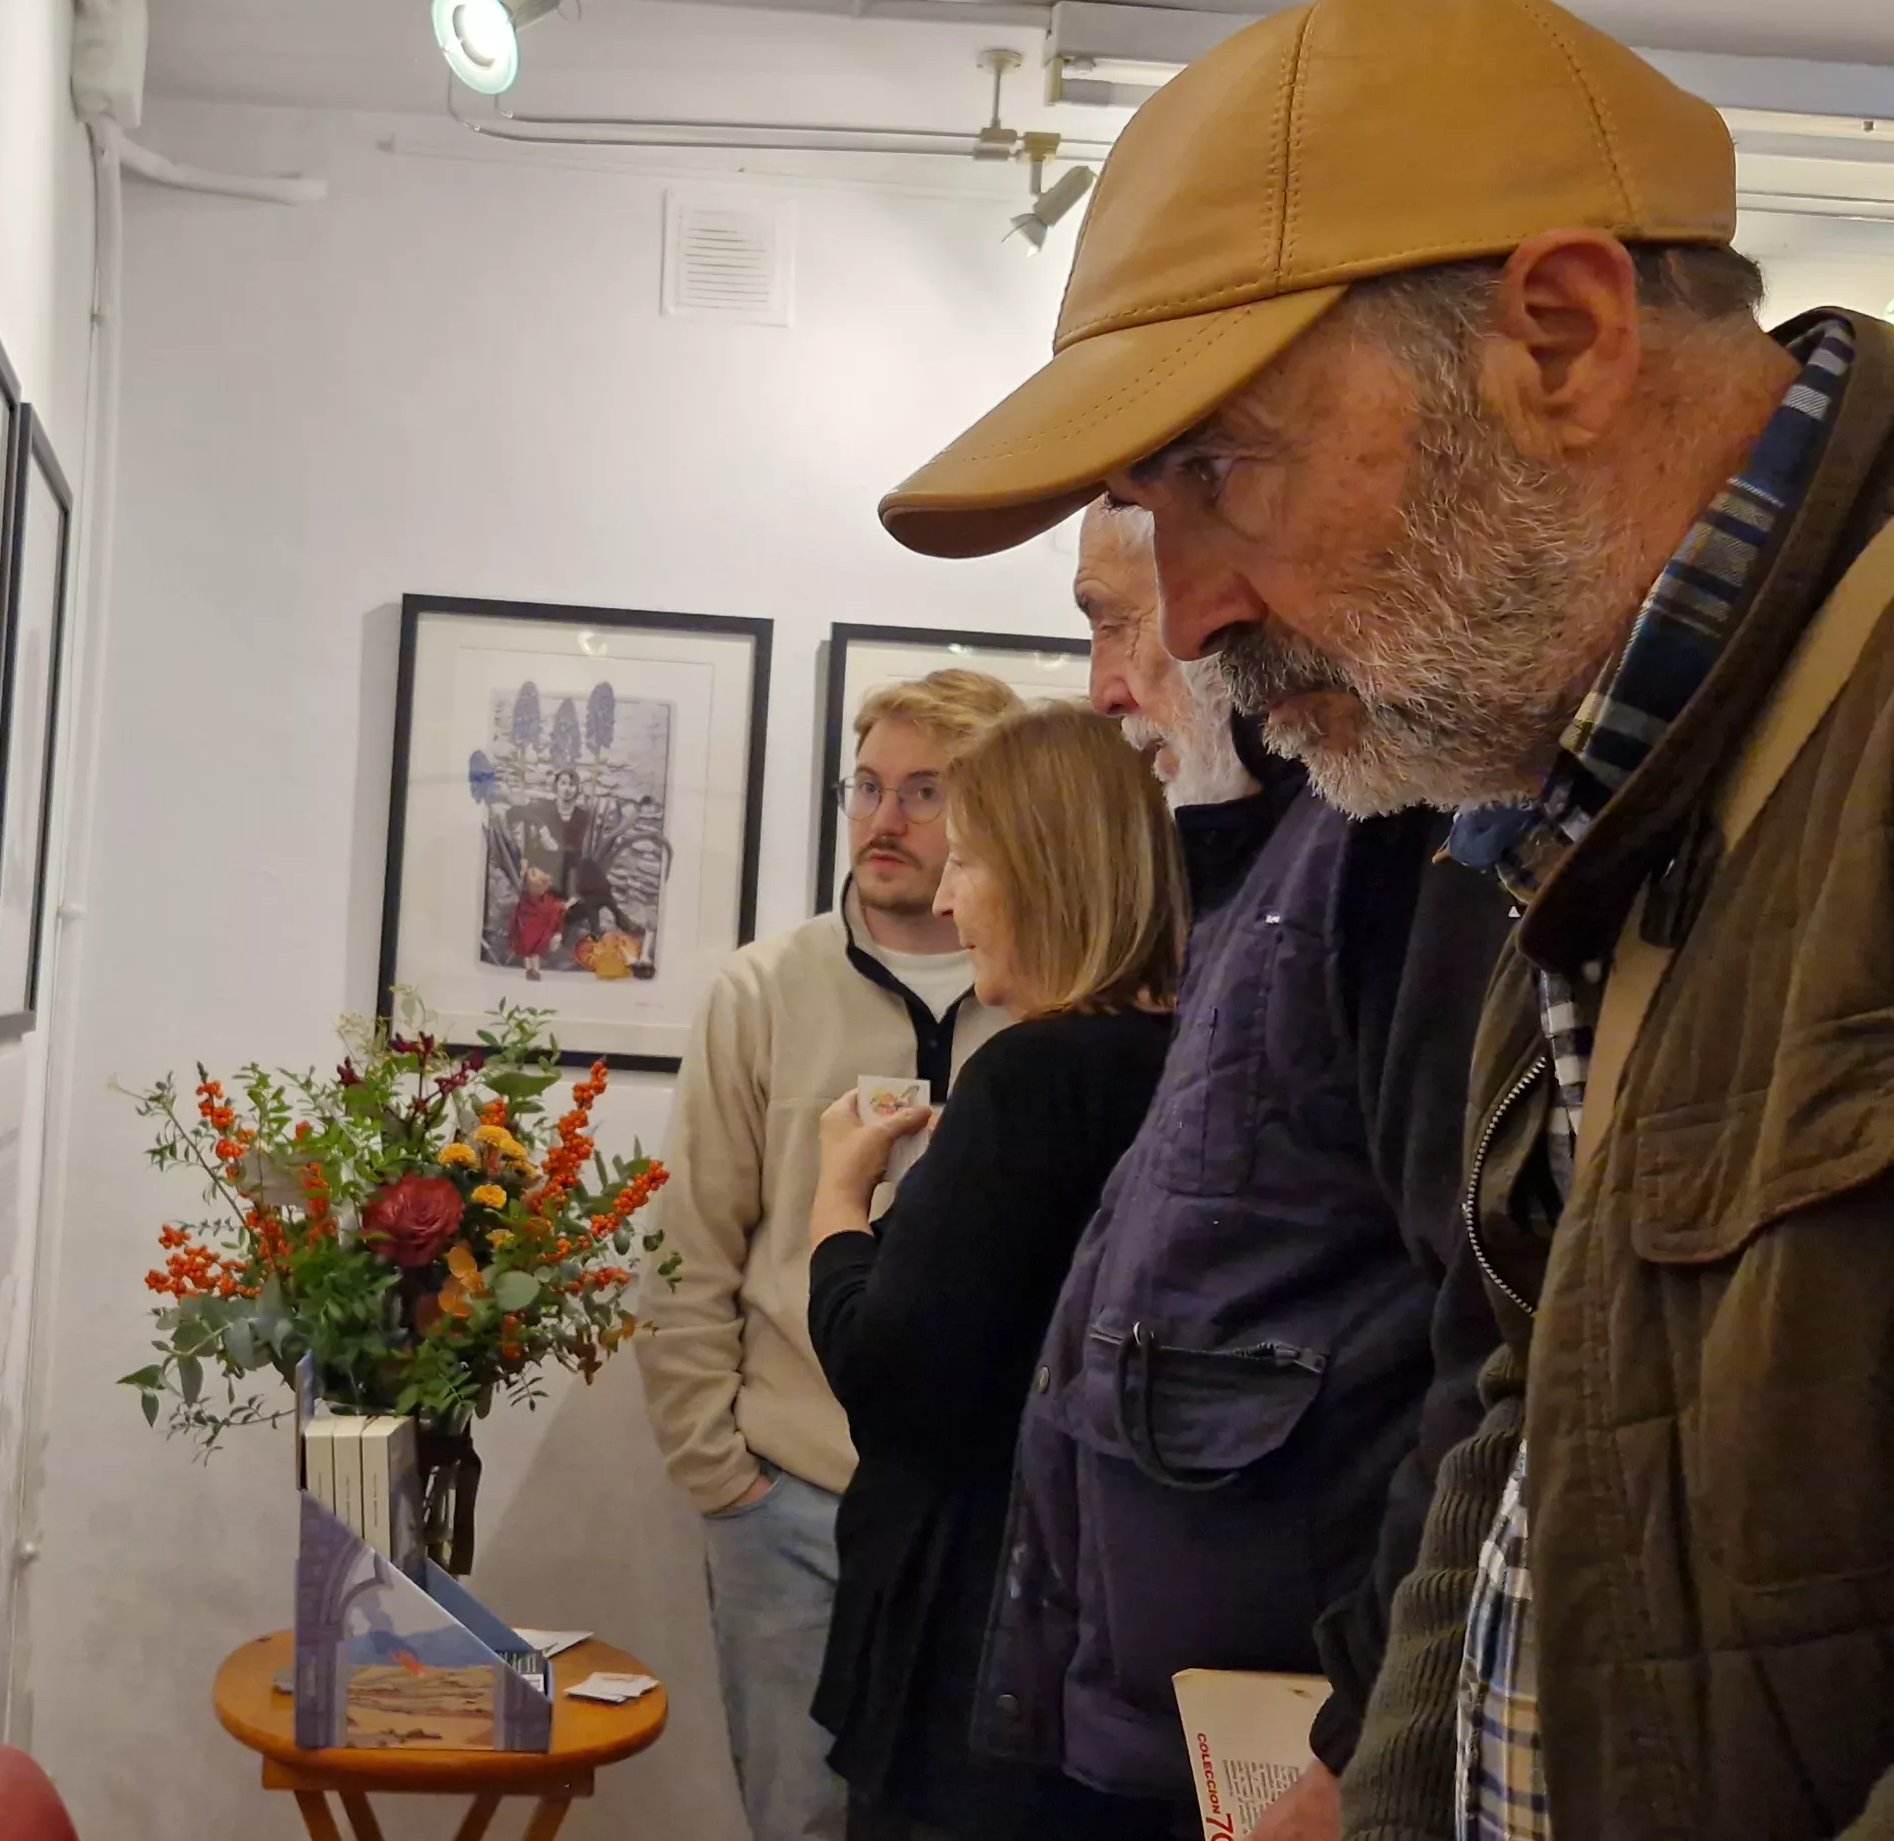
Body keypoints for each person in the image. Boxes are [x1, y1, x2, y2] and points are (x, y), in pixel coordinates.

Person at [879, 0, 1894, 1836]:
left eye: (1223, 470)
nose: (1196, 610)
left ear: (1558, 337)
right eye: (1146, 508)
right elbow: (1529, 1434)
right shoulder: (1610, 783)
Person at [933, 504, 1507, 1840]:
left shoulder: (1394, 851)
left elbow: (1489, 1345)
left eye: (1117, 617)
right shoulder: (1278, 870)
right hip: (1166, 1728)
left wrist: (1365, 1734)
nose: (1112, 680)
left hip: (1280, 1756)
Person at [635, 668, 1027, 1841]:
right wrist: (725, 1477)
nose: (882, 821)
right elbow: (689, 1249)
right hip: (793, 1501)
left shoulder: (1057, 995)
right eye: (866, 787)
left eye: (923, 793)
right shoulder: (763, 990)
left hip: (986, 1518)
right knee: (799, 1823)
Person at [799, 700, 1185, 1841]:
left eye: (968, 857)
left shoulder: (1034, 1077)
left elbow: (894, 1375)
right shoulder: (1191, 1058)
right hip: (1112, 1641)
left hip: (977, 1646)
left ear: (1048, 869)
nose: (953, 897)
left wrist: (837, 1204)